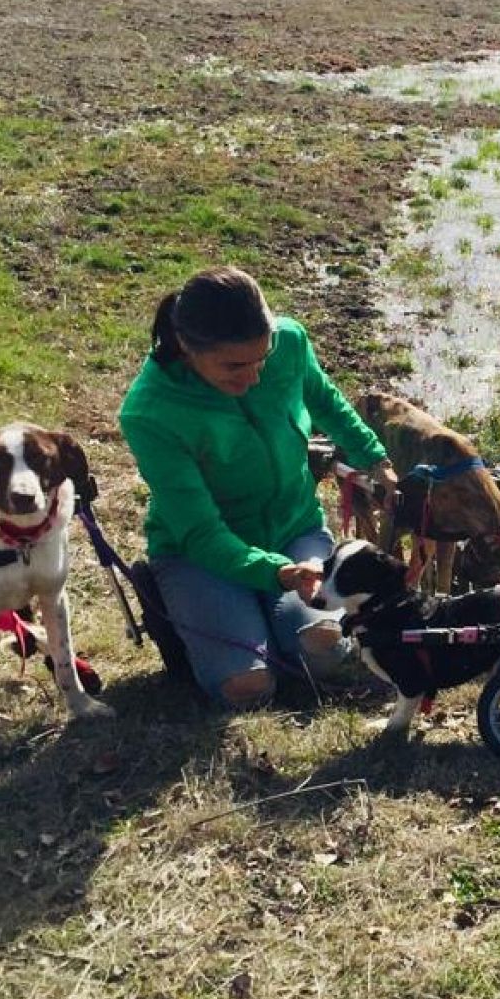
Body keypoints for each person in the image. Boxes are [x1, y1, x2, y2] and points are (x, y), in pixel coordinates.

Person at [118, 266, 397, 710]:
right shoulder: (150, 412)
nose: (253, 378)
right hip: (200, 555)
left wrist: (374, 458)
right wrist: (276, 573)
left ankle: (264, 621)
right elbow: (202, 533)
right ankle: (199, 615)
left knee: (323, 651)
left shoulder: (290, 341)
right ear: (188, 347)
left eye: (261, 360)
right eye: (233, 367)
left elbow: (323, 398)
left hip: (293, 531)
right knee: (248, 689)